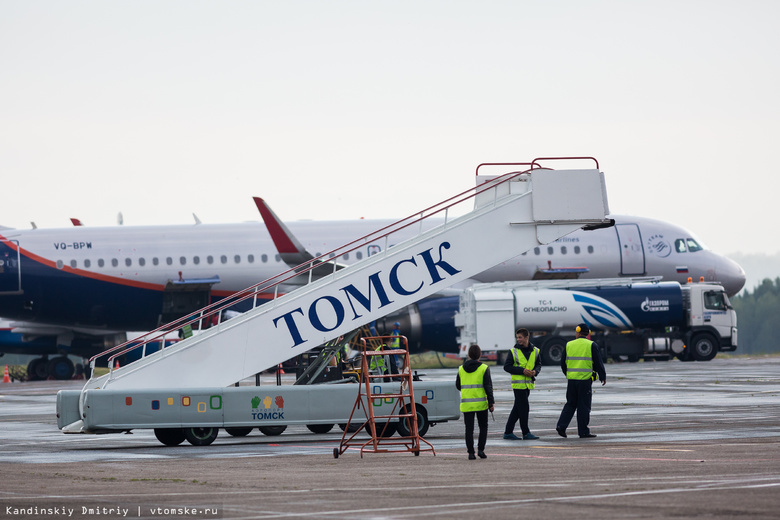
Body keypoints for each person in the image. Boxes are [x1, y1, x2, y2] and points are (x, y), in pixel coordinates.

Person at [556, 323, 607, 439]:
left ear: (578, 332)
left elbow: (563, 362)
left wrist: (567, 374)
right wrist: (602, 376)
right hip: (584, 380)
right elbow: (598, 362)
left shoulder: (569, 344)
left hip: (572, 380)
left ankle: (561, 426)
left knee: (570, 404)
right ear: (587, 333)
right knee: (583, 406)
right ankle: (583, 431)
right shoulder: (591, 345)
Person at [455, 344, 495, 460]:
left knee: (469, 429)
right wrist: (491, 403)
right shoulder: (484, 368)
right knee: (483, 427)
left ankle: (471, 453)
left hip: (467, 404)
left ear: (468, 355)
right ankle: (481, 450)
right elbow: (488, 387)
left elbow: (458, 385)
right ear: (480, 355)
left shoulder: (461, 368)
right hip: (481, 404)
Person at [503, 328, 542, 440]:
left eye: (520, 337)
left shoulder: (535, 351)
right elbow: (507, 367)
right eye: (517, 337)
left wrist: (535, 372)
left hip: (528, 384)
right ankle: (526, 432)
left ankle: (508, 432)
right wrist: (522, 371)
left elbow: (538, 364)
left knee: (518, 409)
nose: (518, 339)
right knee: (524, 407)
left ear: (526, 337)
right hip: (518, 385)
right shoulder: (513, 351)